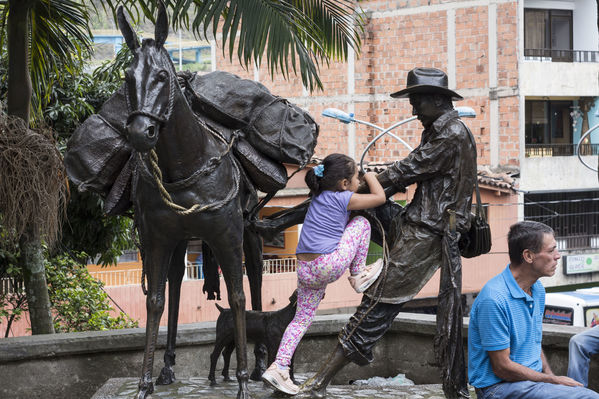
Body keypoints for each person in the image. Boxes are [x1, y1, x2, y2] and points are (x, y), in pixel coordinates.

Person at [302, 67, 477, 397]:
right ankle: (346, 259)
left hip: (429, 232)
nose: (412, 110)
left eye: (417, 102)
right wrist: (354, 189)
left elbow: (408, 170)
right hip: (416, 220)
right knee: (361, 207)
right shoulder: (439, 129)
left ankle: (318, 384)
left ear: (437, 100)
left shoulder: (450, 134)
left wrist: (355, 182)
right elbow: (404, 172)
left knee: (376, 305)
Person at [261, 153, 386, 395]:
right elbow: (379, 198)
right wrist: (371, 175)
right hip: (327, 264)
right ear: (344, 184)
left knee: (300, 321)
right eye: (356, 177)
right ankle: (358, 275)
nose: (359, 179)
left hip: (305, 269)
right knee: (362, 224)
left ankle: (279, 367)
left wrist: (359, 175)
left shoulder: (317, 195)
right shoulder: (343, 198)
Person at [468, 221, 599, 399]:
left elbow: (534, 344)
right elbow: (502, 367)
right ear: (528, 256)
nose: (558, 256)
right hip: (498, 388)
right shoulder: (494, 299)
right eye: (552, 250)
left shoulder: (537, 290)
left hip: (530, 384)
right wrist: (554, 382)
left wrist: (551, 377)